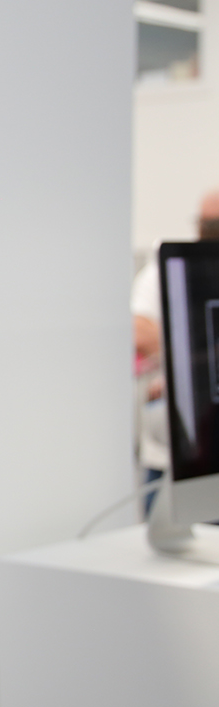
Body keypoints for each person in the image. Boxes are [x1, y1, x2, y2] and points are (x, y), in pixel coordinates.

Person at [131, 187, 219, 507]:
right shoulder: (173, 268)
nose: (210, 231)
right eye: (206, 223)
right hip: (176, 453)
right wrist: (187, 366)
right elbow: (140, 331)